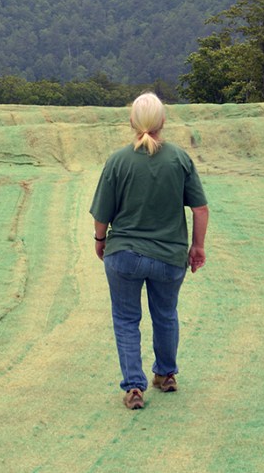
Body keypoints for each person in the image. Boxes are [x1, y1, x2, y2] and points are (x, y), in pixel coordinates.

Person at [89, 92, 209, 410]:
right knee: (165, 315)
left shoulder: (117, 161)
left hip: (124, 254)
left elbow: (102, 215)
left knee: (127, 319)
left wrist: (100, 242)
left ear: (132, 122)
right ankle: (166, 374)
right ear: (163, 122)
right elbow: (200, 209)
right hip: (169, 258)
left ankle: (134, 387)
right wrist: (197, 247)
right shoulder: (180, 159)